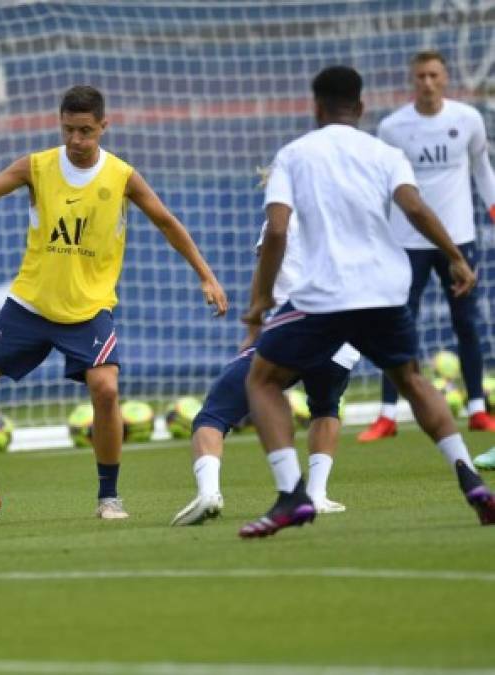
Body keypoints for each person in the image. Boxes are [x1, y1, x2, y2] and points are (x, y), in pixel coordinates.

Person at [0, 85, 228, 519]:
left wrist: (206, 276)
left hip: (88, 310)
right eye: (70, 130)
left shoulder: (122, 176)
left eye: (87, 131)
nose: (77, 140)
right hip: (31, 304)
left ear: (103, 127)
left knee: (106, 390)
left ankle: (108, 497)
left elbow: (167, 222)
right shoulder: (36, 167)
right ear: (60, 123)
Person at [240, 65, 495, 538]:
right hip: (383, 291)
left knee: (262, 379)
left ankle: (291, 494)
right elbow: (415, 208)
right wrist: (456, 256)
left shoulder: (294, 155)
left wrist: (258, 305)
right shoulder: (385, 152)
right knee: (413, 380)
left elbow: (276, 230)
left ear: (315, 107)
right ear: (360, 107)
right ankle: (470, 479)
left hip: (323, 295)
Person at [171, 212, 355, 526]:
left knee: (214, 413)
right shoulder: (350, 219)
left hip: (290, 329)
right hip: (342, 334)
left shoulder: (281, 218)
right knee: (325, 407)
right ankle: (316, 494)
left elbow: (268, 257)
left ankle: (209, 492)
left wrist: (255, 320)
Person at [359, 50, 495, 441]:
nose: (428, 83)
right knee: (396, 325)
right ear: (412, 80)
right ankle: (387, 415)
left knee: (466, 323)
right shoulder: (393, 127)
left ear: (446, 78)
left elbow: (483, 171)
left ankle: (477, 409)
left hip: (458, 239)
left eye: (434, 75)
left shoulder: (467, 120)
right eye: (421, 76)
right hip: (406, 242)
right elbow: (383, 186)